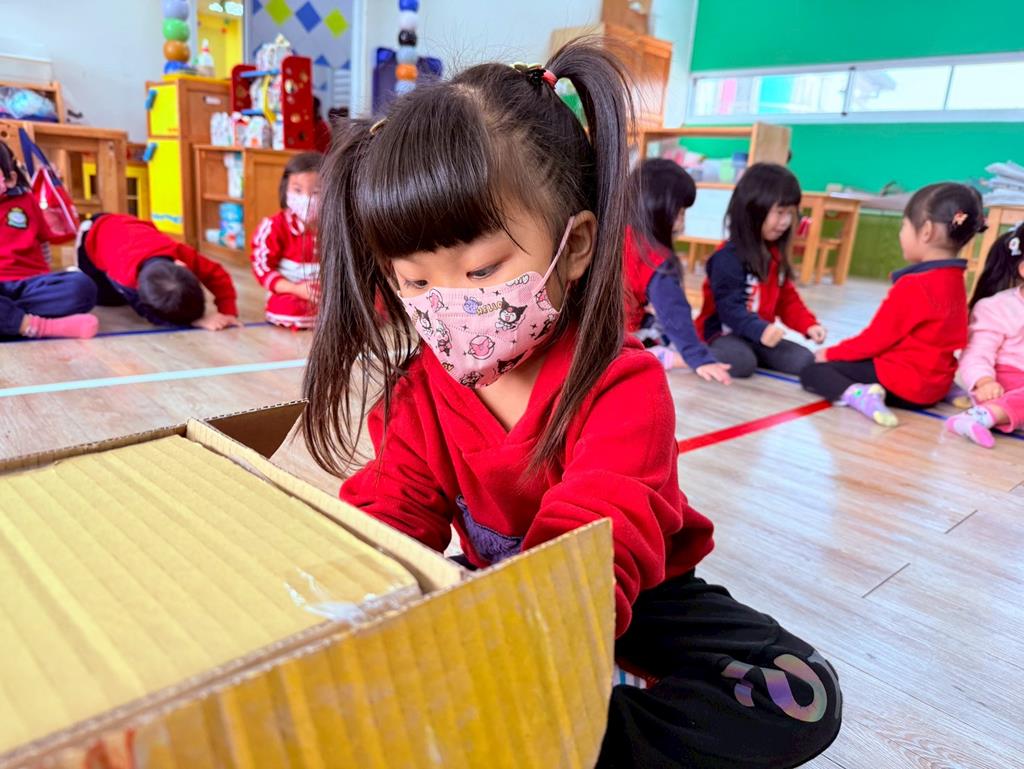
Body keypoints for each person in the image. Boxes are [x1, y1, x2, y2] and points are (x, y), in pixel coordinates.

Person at [301, 41, 841, 768]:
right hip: (499, 594)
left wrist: (537, 654)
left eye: (481, 270)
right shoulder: (417, 392)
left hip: (635, 591)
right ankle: (531, 716)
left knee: (802, 693)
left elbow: (599, 534)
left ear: (577, 244)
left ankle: (569, 734)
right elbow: (394, 511)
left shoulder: (622, 383)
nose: (448, 304)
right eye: (416, 283)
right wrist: (351, 592)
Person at [801, 183, 984, 426]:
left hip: (905, 387)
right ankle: (949, 390)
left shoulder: (914, 284)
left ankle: (860, 394)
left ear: (926, 231)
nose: (901, 234)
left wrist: (829, 353)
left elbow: (873, 341)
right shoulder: (956, 279)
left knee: (813, 370)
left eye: (904, 226)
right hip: (934, 385)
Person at [694, 164, 826, 378]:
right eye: (779, 213)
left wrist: (808, 325)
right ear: (753, 210)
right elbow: (729, 309)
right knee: (742, 363)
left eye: (790, 213)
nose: (786, 222)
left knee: (804, 360)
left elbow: (787, 299)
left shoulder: (774, 255)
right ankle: (700, 352)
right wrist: (760, 330)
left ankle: (753, 352)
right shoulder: (727, 258)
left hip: (759, 335)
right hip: (722, 333)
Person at [624, 158, 731, 383]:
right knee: (662, 332)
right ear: (657, 208)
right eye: (680, 213)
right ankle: (660, 357)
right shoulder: (654, 256)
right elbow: (674, 311)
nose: (682, 221)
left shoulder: (614, 235)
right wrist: (699, 358)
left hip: (583, 333)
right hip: (620, 337)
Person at [0, 139, 97, 340]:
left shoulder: (26, 200)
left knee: (82, 286)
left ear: (10, 179)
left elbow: (44, 241)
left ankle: (9, 320)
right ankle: (36, 325)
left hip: (30, 284)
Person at [77, 213, 239, 329]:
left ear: (182, 265)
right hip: (91, 235)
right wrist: (193, 322)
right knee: (103, 299)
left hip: (127, 227)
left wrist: (228, 311)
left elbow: (217, 274)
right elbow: (147, 313)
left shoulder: (179, 251)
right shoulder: (123, 277)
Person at [946, 223, 1024, 447]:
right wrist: (984, 381)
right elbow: (976, 353)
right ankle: (979, 417)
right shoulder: (997, 307)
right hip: (999, 385)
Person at [250, 152, 322, 329]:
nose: (307, 198)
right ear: (285, 191)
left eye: (316, 192)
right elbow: (262, 267)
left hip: (330, 290)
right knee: (287, 307)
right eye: (298, 190)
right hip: (291, 289)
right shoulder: (274, 226)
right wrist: (295, 289)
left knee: (372, 300)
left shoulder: (339, 226)